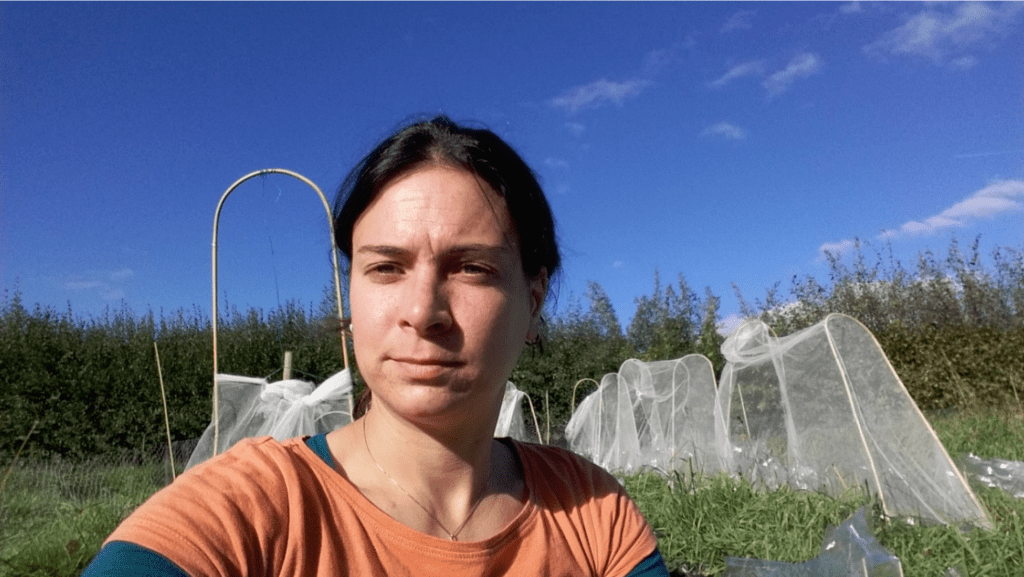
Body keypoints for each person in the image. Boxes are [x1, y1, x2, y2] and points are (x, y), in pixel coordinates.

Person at [83, 116, 670, 576]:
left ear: (533, 300)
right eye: (387, 268)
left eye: (470, 268)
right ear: (352, 295)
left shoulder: (592, 511)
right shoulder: (252, 509)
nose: (422, 312)